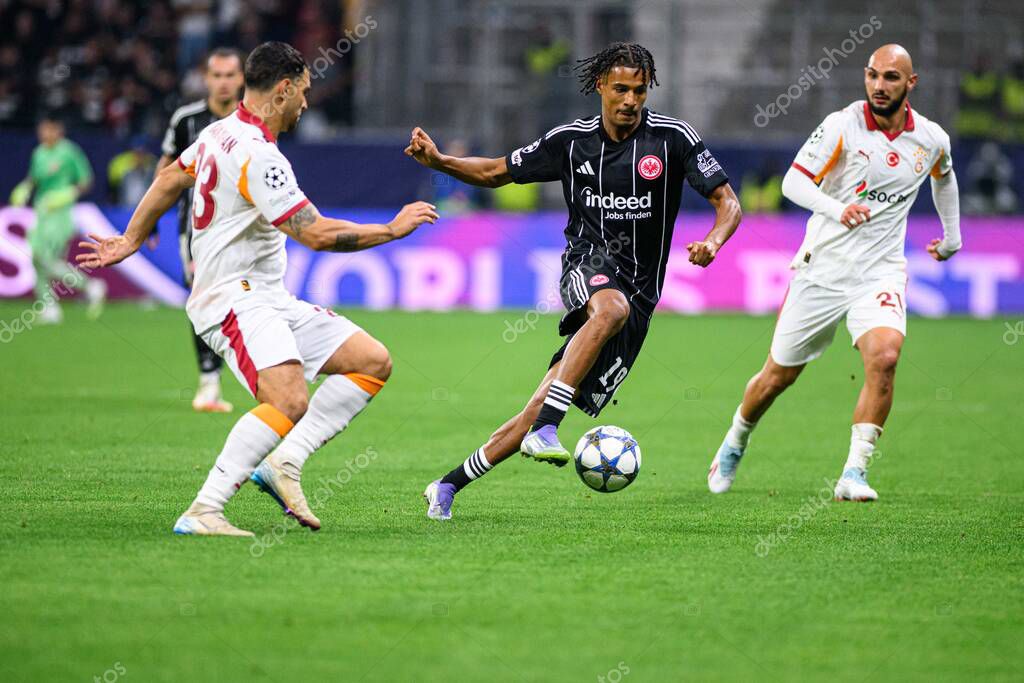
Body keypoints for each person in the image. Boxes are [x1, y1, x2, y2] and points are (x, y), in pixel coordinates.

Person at [77, 41, 439, 537]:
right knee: (289, 399)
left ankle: (284, 462)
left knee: (371, 361)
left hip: (266, 295)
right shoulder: (258, 156)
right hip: (231, 297)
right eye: (304, 92)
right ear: (284, 89)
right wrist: (391, 231)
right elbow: (315, 234)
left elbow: (168, 178)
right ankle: (205, 509)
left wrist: (130, 240)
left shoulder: (216, 134)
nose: (306, 104)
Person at [406, 42, 742, 520]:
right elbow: (498, 171)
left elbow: (729, 203)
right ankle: (549, 428)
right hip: (587, 264)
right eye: (621, 89)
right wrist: (441, 162)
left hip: (641, 296)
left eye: (640, 91)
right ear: (600, 86)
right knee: (609, 309)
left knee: (539, 402)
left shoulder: (673, 139)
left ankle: (447, 484)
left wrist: (714, 240)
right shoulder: (571, 142)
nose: (630, 100)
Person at [706, 44, 962, 502]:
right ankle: (735, 440)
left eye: (890, 78)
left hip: (880, 272)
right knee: (776, 377)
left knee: (885, 357)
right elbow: (793, 182)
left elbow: (944, 175)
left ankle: (854, 473)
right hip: (822, 270)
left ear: (911, 83)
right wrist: (837, 207)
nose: (879, 86)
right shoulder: (843, 125)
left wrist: (951, 236)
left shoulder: (930, 138)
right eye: (872, 75)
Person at [155, 47, 245, 413]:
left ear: (241, 79)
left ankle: (257, 375)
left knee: (244, 299)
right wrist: (145, 222)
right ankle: (209, 382)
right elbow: (165, 173)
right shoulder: (186, 120)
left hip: (242, 229)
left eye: (230, 75)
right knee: (203, 296)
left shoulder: (255, 120)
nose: (223, 82)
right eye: (217, 75)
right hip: (195, 230)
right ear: (206, 79)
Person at [9, 114, 106, 323]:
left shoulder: (69, 151)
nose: (42, 134)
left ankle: (89, 286)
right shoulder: (39, 153)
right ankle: (48, 306)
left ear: (57, 129)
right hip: (42, 212)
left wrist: (68, 193)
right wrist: (25, 187)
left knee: (46, 258)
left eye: (47, 129)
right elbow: (34, 178)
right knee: (37, 259)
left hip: (60, 213)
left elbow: (86, 181)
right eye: (41, 130)